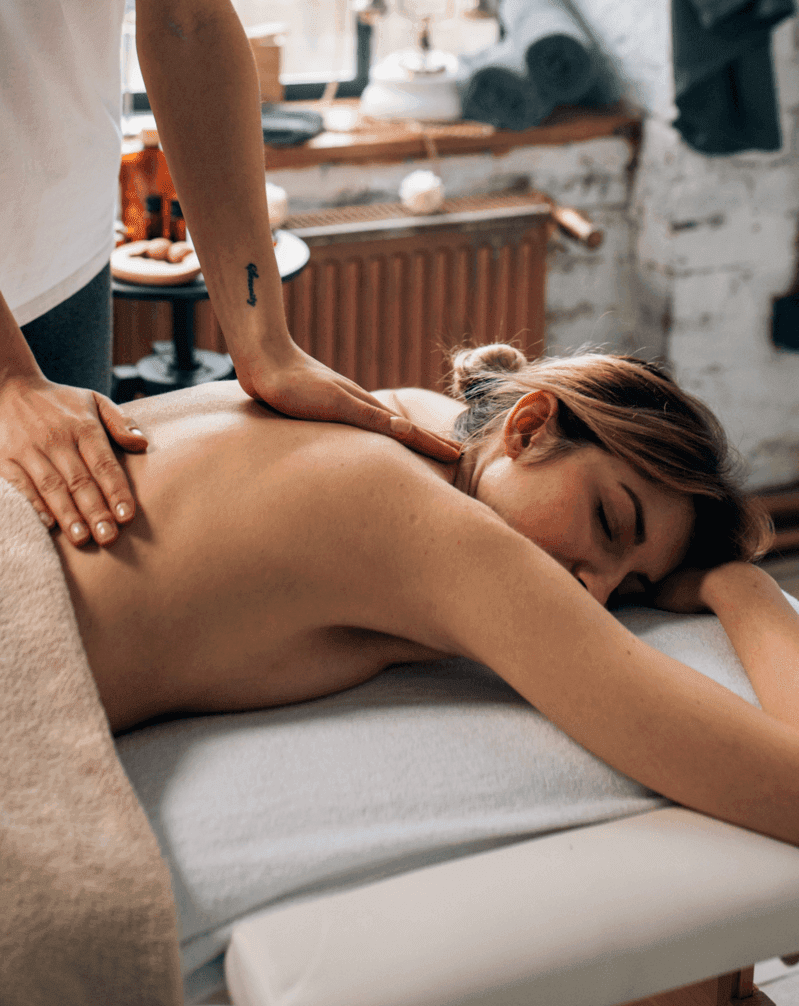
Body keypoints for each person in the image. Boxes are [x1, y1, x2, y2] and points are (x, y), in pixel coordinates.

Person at [42, 342, 799, 850]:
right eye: (609, 522)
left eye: (632, 585)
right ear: (529, 427)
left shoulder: (398, 412)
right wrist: (747, 590)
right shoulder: (441, 536)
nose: (594, 591)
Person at [0, 0, 459, 556]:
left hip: (66, 254)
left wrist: (265, 344)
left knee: (77, 560)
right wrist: (7, 377)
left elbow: (187, 18)